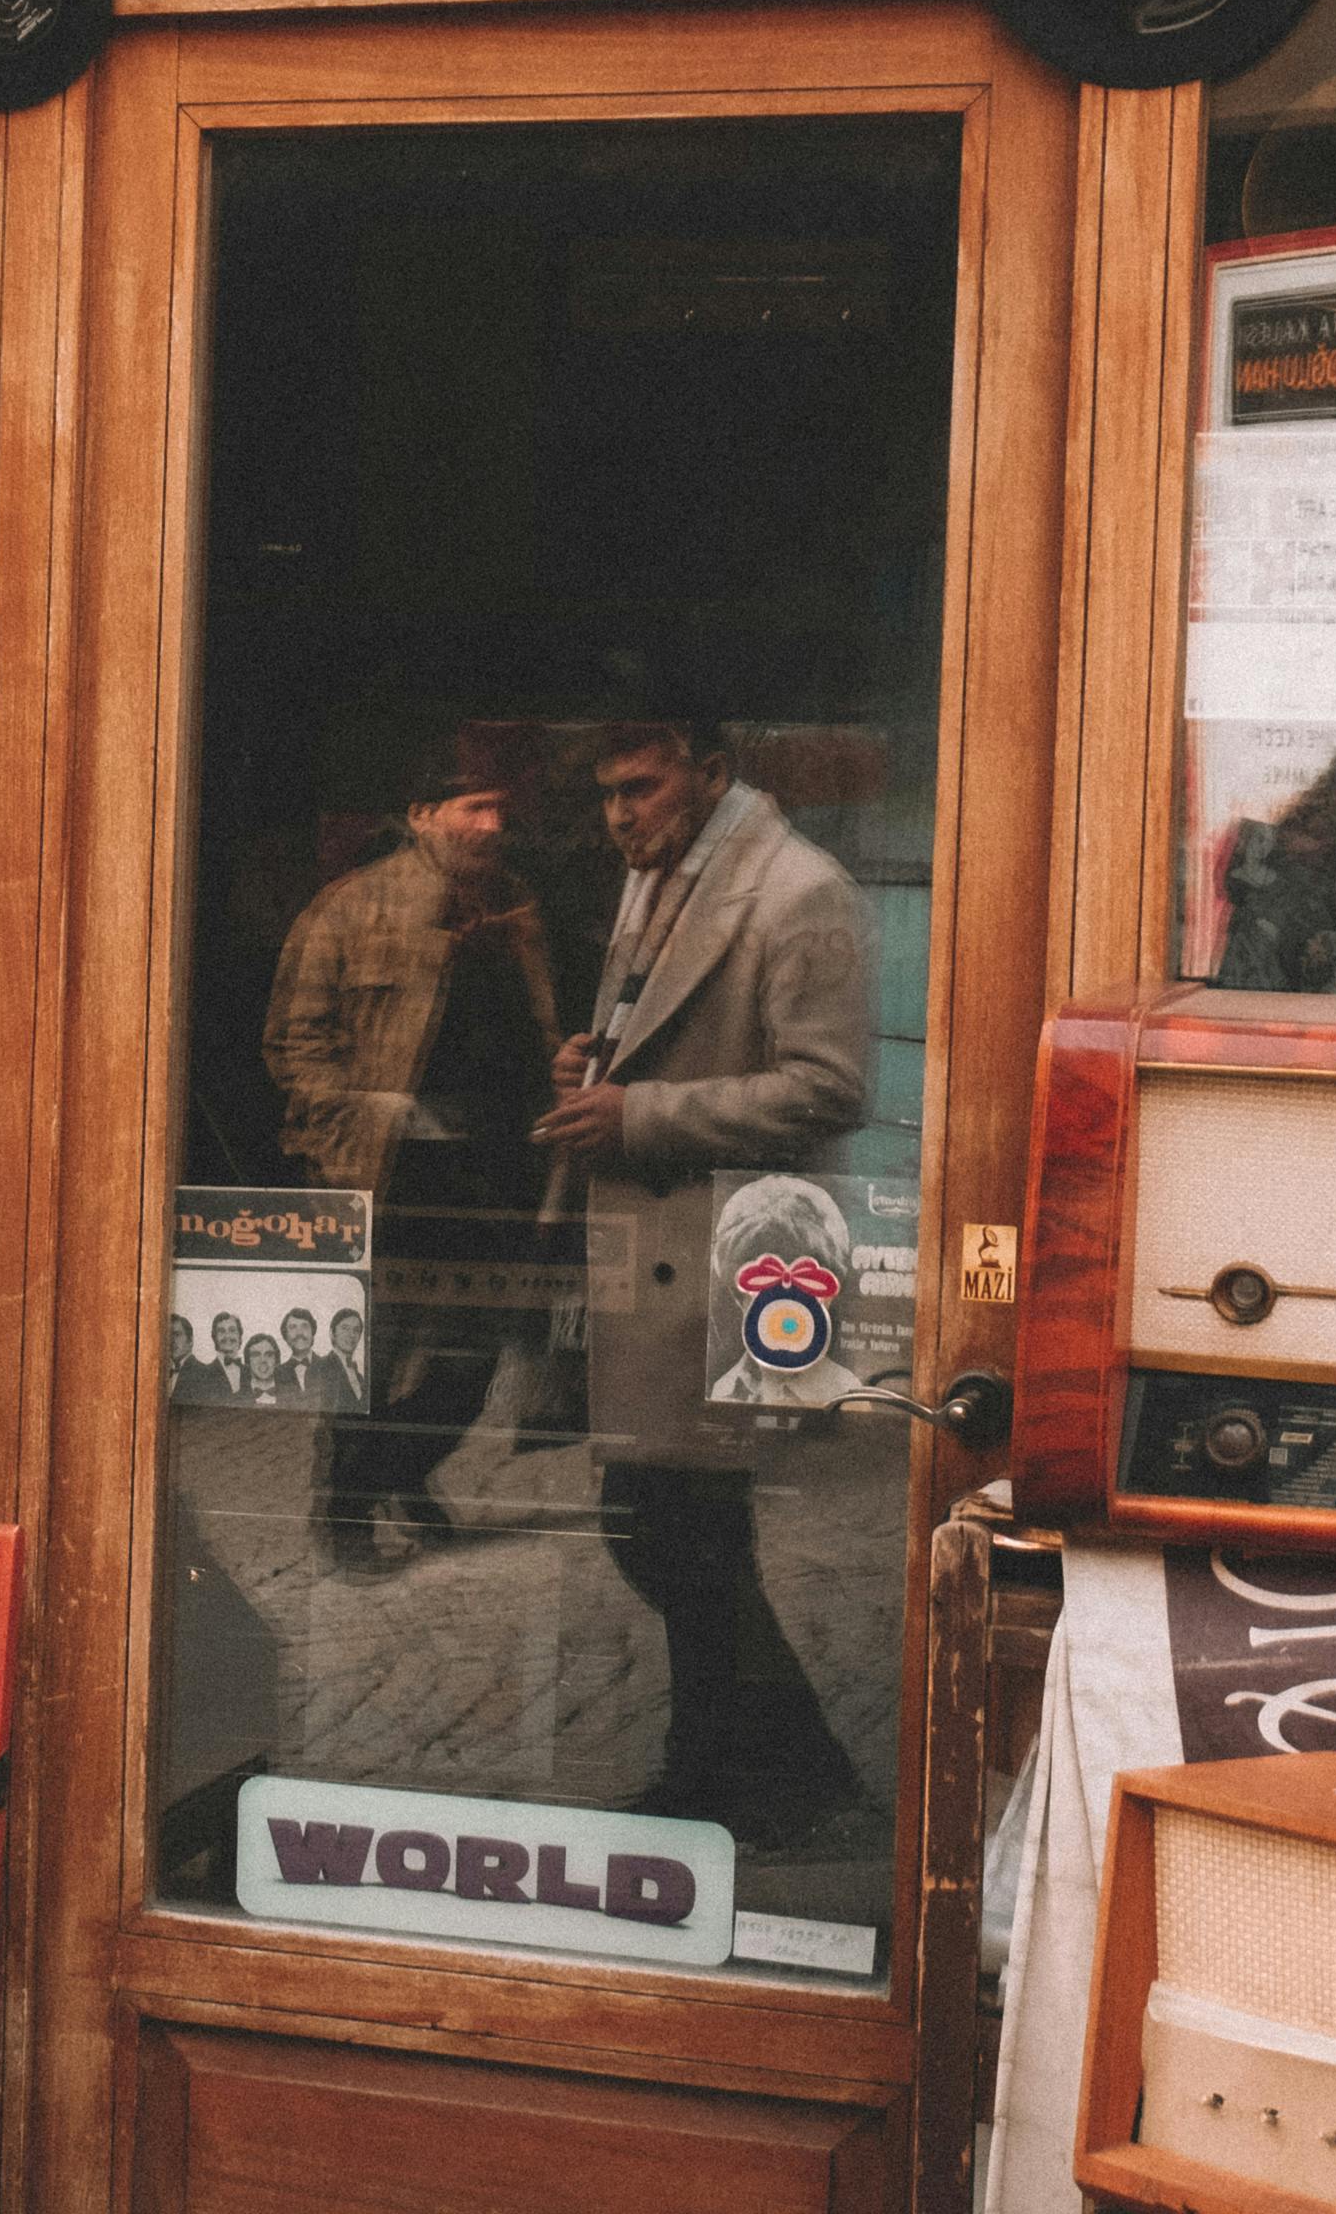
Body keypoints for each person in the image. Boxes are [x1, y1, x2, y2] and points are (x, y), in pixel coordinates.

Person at [530, 711, 871, 1848]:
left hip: (737, 1258)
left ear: (712, 775)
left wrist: (640, 1112)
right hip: (655, 1253)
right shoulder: (660, 881)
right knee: (664, 1524)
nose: (620, 815)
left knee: (676, 1525)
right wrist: (594, 1066)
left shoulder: (797, 890)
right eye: (607, 793)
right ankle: (765, 1765)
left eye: (642, 787)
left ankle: (746, 1767)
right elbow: (655, 1030)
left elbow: (828, 1087)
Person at [264, 733, 563, 1569]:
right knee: (371, 1356)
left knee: (468, 1368)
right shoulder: (348, 909)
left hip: (493, 1171)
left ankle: (391, 1473)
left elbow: (542, 1035)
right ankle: (346, 1511)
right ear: (422, 817)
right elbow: (294, 1042)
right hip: (392, 1174)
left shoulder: (519, 911)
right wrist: (355, 1123)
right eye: (474, 807)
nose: (492, 824)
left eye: (500, 809)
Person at [706, 1174, 870, 1409]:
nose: (784, 1312)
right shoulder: (725, 1388)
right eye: (763, 1286)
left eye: (806, 1286)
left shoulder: (847, 1393)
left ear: (829, 1297)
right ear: (737, 1296)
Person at [317, 1308, 370, 1414]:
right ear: (332, 1333)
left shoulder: (360, 1377)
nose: (351, 1335)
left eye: (356, 1330)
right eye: (345, 1328)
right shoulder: (320, 1366)